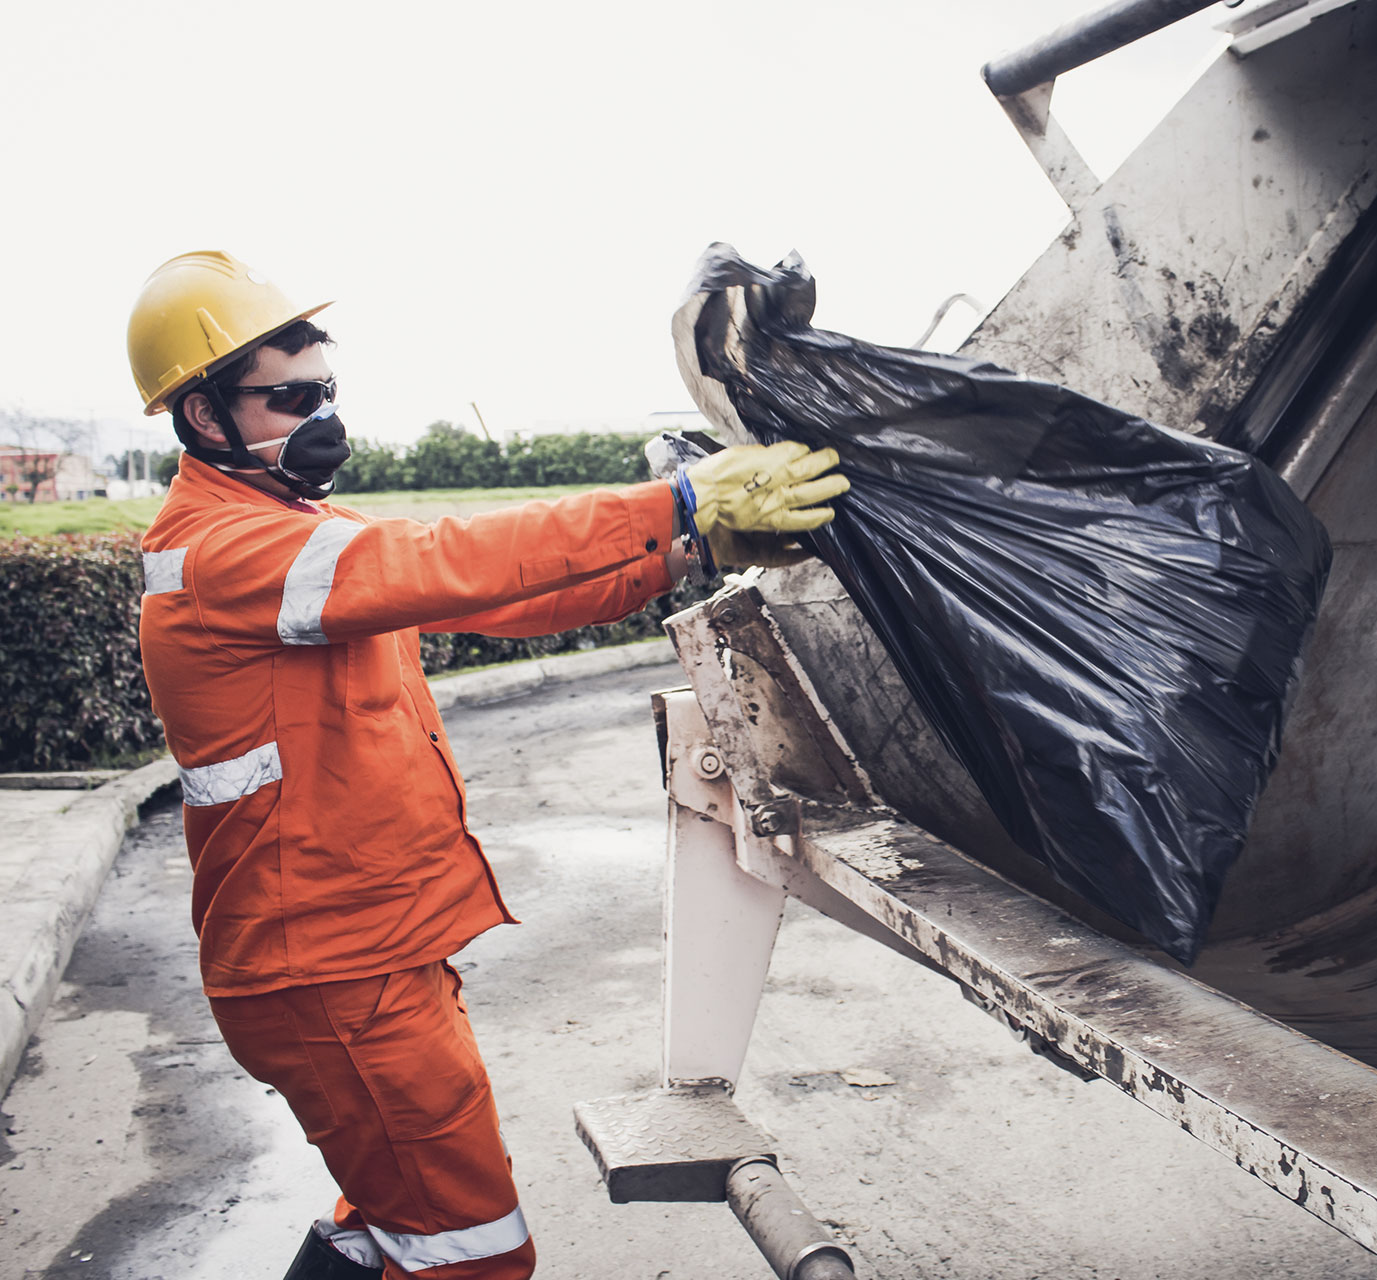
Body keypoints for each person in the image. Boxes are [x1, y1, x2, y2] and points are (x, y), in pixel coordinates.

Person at [125, 250, 847, 1280]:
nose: (323, 413)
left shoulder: (290, 533)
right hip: (334, 971)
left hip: (352, 956)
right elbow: (448, 558)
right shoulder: (229, 553)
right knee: (473, 1254)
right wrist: (673, 500)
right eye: (290, 396)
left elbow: (489, 597)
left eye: (325, 388)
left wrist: (687, 551)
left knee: (392, 1224)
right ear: (204, 417)